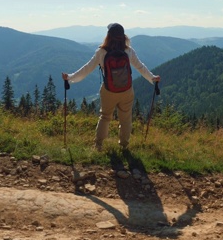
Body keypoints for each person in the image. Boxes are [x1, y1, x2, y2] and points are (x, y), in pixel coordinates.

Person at [62, 23, 160, 151]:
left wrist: (70, 78)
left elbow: (86, 69)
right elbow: (140, 67)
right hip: (126, 90)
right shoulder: (128, 51)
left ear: (108, 36)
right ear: (124, 36)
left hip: (108, 90)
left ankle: (98, 145)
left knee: (105, 117)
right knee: (125, 118)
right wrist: (152, 78)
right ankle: (124, 145)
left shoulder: (101, 52)